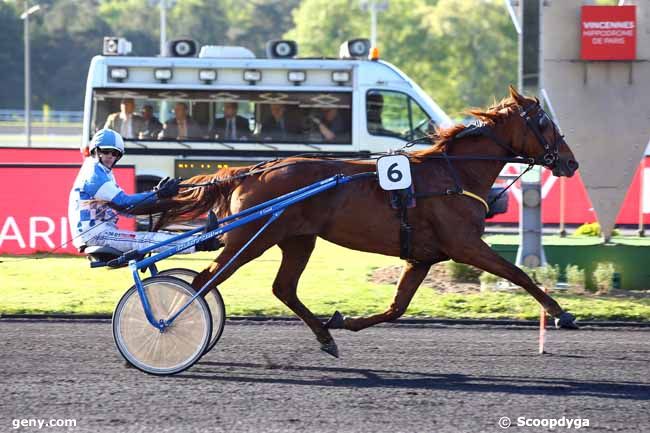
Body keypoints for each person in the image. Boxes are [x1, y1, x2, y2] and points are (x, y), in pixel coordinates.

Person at [68, 128, 220, 254]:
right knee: (146, 240)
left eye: (115, 154)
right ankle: (200, 244)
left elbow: (126, 209)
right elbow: (125, 202)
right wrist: (158, 194)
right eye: (106, 151)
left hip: (100, 232)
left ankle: (200, 239)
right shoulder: (94, 173)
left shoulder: (103, 172)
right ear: (96, 151)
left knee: (152, 237)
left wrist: (160, 198)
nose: (110, 156)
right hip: (95, 235)